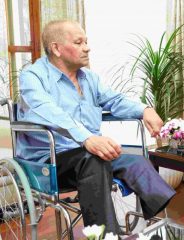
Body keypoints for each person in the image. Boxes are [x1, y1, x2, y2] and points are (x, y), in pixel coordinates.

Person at [16, 20, 175, 235]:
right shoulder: (33, 76)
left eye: (86, 42)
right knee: (93, 160)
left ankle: (156, 229)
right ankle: (105, 235)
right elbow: (46, 109)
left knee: (136, 160)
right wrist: (86, 137)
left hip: (90, 155)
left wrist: (144, 109)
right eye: (79, 42)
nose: (87, 47)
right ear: (56, 48)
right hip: (50, 160)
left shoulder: (89, 78)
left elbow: (115, 100)